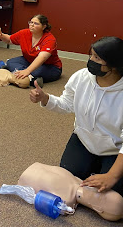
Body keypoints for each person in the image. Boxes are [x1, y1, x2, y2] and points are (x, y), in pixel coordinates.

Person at [29, 36, 123, 198]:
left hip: (114, 150)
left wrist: (112, 176)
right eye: (91, 55)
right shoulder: (82, 77)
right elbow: (66, 103)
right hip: (83, 139)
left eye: (97, 58)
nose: (90, 61)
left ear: (114, 65)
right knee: (68, 175)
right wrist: (45, 98)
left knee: (114, 194)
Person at [0, 14, 62, 85]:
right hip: (29, 60)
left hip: (50, 66)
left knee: (37, 71)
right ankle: (32, 79)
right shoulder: (24, 33)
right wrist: (1, 36)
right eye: (31, 22)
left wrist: (27, 70)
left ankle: (21, 74)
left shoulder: (50, 39)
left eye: (36, 23)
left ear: (44, 26)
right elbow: (9, 39)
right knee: (10, 62)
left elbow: (42, 57)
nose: (32, 25)